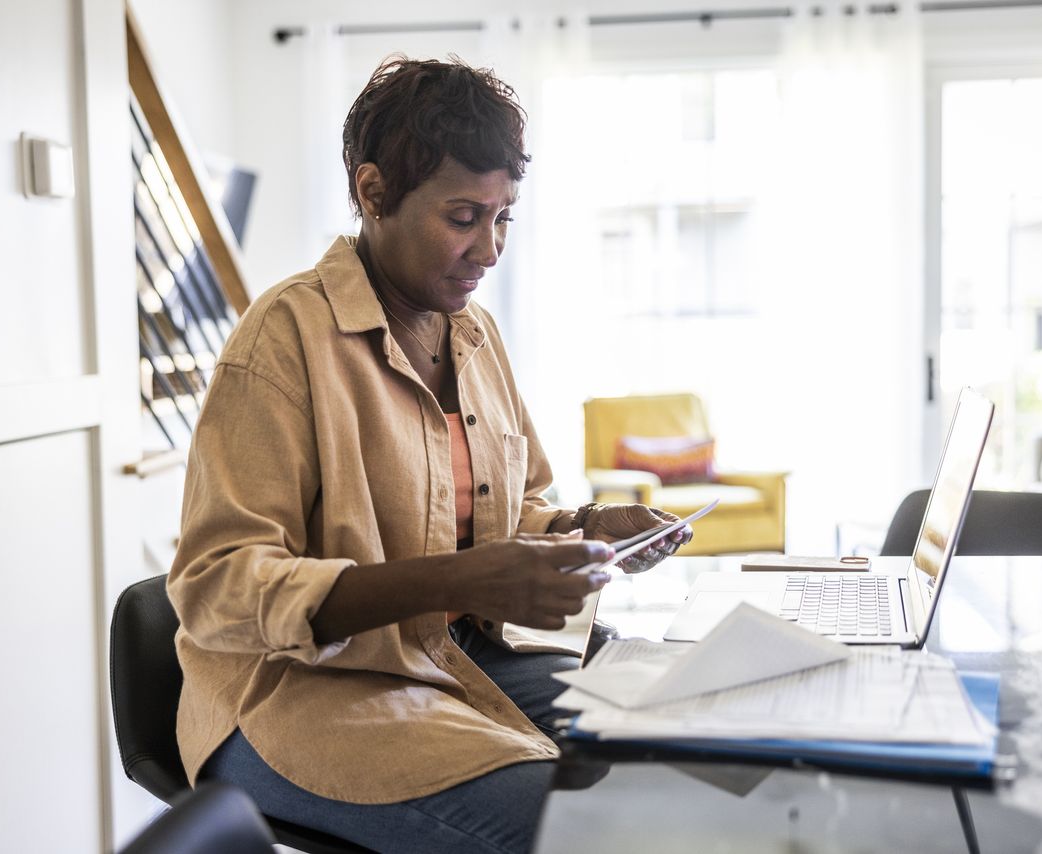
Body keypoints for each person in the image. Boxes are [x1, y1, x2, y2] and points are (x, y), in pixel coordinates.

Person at [168, 55, 693, 853]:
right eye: (463, 217)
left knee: (689, 750)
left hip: (461, 650)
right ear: (374, 194)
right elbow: (217, 588)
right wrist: (460, 578)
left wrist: (587, 526)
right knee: (585, 826)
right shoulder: (281, 343)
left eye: (504, 216)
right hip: (310, 692)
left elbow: (511, 514)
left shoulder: (473, 334)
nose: (490, 249)